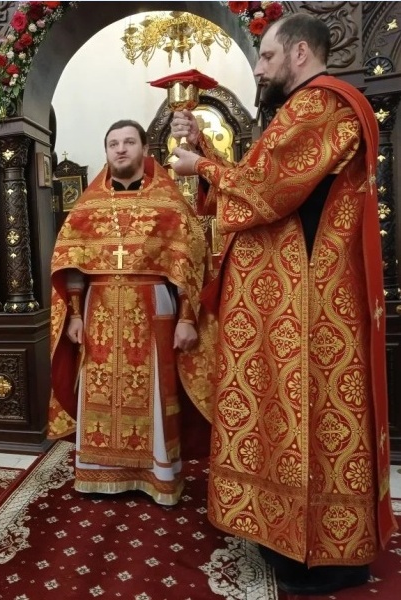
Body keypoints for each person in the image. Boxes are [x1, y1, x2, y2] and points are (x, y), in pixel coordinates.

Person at [170, 13, 397, 595]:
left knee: (311, 416)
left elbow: (266, 192)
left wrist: (202, 166)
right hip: (292, 301)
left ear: (299, 53)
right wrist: (206, 155)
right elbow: (265, 182)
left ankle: (319, 554)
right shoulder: (303, 110)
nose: (258, 69)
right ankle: (287, 534)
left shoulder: (320, 105)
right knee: (288, 413)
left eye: (266, 57)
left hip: (311, 301)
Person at [48, 119, 211, 507]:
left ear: (144, 149)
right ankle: (99, 472)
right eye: (113, 144)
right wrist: (75, 315)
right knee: (98, 387)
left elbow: (190, 263)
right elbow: (73, 263)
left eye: (128, 142)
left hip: (152, 304)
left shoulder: (169, 202)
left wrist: (187, 319)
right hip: (99, 309)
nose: (120, 149)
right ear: (106, 152)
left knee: (154, 389)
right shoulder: (89, 205)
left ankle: (157, 476)